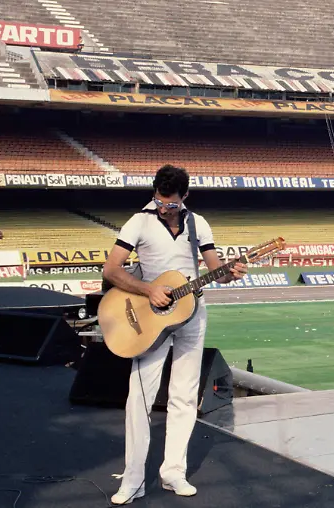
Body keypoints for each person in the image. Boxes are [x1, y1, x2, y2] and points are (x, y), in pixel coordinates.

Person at [102, 165, 247, 505]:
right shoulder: (138, 221)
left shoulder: (200, 223)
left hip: (192, 316)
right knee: (139, 398)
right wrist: (148, 289)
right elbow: (111, 270)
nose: (164, 208)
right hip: (148, 321)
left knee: (184, 396)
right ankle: (133, 481)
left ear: (185, 197)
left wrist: (231, 273)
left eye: (170, 203)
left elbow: (216, 272)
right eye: (159, 201)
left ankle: (173, 472)